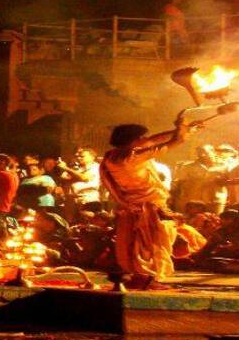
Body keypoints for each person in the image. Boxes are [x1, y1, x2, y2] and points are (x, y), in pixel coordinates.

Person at [100, 115, 195, 289]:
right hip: (149, 207)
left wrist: (183, 129)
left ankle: (141, 277)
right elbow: (177, 141)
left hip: (131, 205)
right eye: (141, 137)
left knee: (134, 244)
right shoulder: (133, 157)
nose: (145, 139)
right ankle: (148, 279)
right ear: (133, 140)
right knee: (153, 244)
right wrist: (182, 127)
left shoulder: (111, 156)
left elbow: (152, 140)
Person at [172, 145, 228, 213]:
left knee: (215, 221)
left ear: (213, 152)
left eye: (205, 152)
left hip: (216, 201)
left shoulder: (223, 167)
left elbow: (229, 181)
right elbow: (178, 183)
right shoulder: (188, 167)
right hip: (195, 202)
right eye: (199, 152)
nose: (202, 155)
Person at [58, 148, 102, 217]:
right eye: (78, 156)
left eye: (82, 156)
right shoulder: (78, 168)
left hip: (88, 198)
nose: (79, 158)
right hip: (73, 200)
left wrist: (66, 168)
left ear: (92, 157)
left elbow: (85, 178)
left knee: (88, 220)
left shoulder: (96, 167)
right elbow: (64, 177)